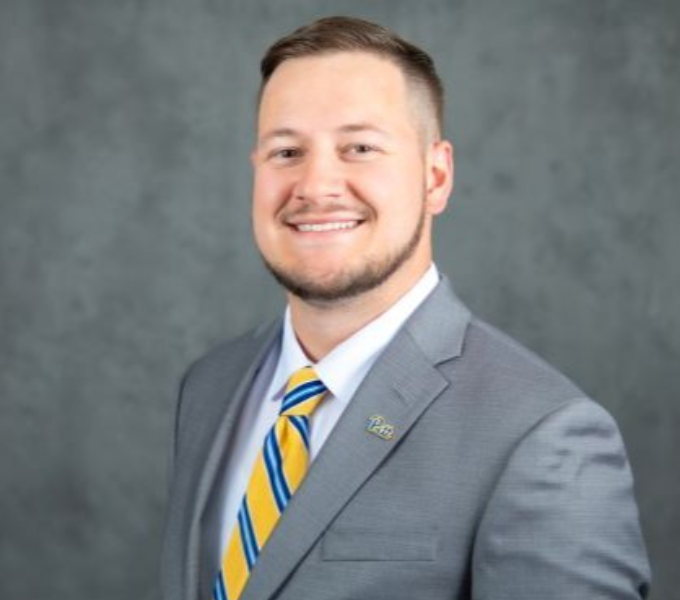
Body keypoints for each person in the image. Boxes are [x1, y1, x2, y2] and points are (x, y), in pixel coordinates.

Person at [161, 16, 651, 600]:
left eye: (360, 148)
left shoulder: (541, 436)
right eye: (286, 150)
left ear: (435, 176)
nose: (316, 185)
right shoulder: (211, 386)